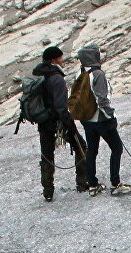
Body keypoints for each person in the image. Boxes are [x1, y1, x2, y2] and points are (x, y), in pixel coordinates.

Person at [32, 46, 87, 202]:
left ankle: (47, 191)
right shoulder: (56, 78)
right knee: (81, 146)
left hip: (43, 121)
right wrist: (70, 124)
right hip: (57, 121)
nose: (63, 61)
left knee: (47, 155)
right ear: (53, 60)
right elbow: (61, 107)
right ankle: (83, 183)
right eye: (61, 58)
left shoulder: (38, 74)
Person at [77, 44, 131, 196]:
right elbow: (102, 99)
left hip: (87, 120)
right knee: (116, 148)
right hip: (101, 119)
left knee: (91, 150)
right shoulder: (98, 74)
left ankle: (93, 185)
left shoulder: (80, 73)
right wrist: (111, 116)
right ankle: (115, 183)